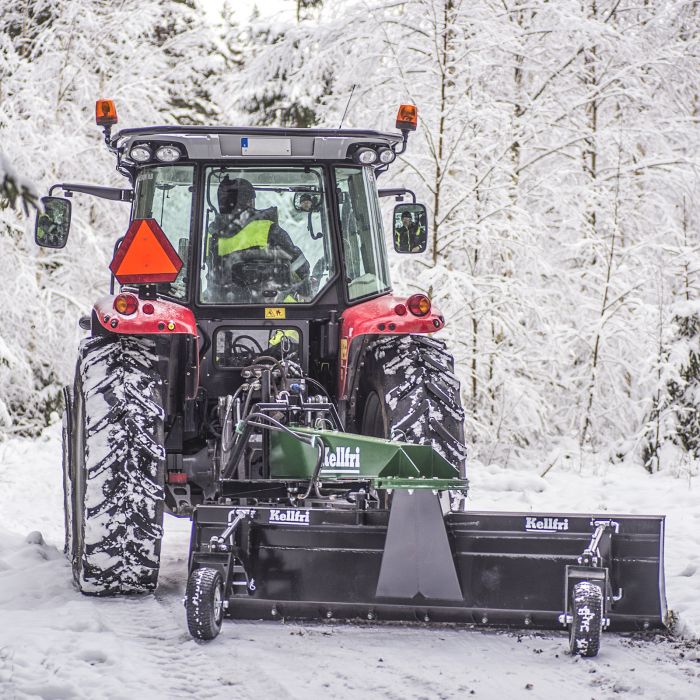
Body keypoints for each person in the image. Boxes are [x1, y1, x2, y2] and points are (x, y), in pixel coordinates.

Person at [207, 176, 310, 301]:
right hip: (267, 308)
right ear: (248, 202)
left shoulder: (212, 235)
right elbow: (298, 263)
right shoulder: (266, 229)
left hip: (222, 308)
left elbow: (212, 274)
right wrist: (306, 287)